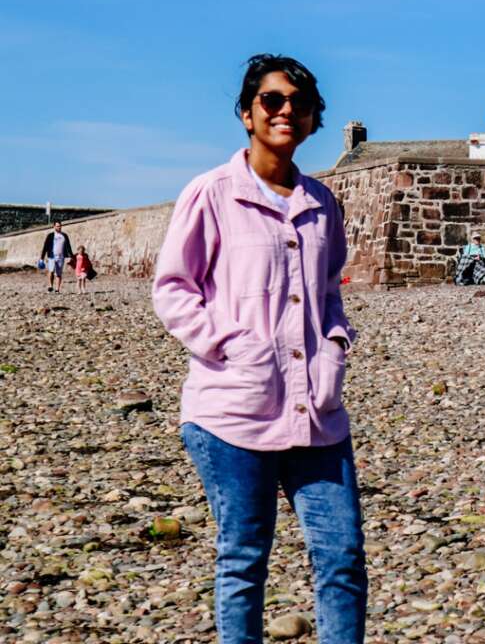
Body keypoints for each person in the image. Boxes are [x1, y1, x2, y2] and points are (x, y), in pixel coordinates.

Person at [152, 54, 367, 644]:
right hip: (231, 411)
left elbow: (328, 294)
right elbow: (173, 289)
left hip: (317, 413)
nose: (286, 111)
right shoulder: (211, 193)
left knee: (342, 558)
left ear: (313, 118)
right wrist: (231, 346)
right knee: (244, 560)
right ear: (247, 113)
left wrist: (334, 349)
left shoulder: (323, 204)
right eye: (272, 101)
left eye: (299, 103)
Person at [40, 220, 73, 293]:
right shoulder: (50, 235)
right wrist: (41, 258)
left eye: (60, 226)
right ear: (54, 226)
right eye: (57, 226)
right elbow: (45, 247)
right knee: (51, 271)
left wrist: (71, 256)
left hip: (61, 257)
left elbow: (68, 246)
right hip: (52, 256)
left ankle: (57, 289)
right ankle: (50, 286)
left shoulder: (64, 235)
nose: (59, 227)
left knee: (59, 273)